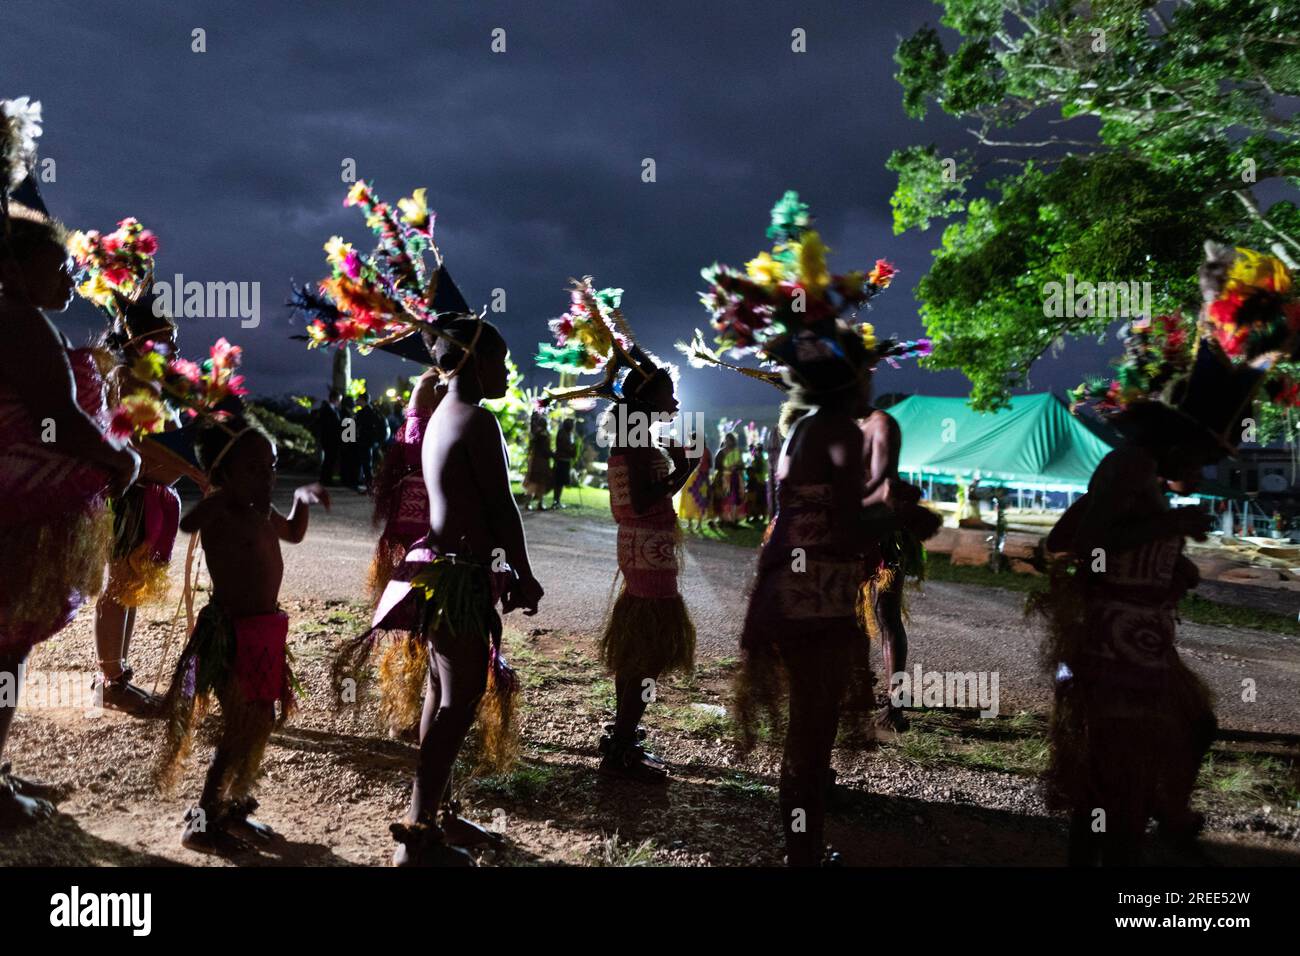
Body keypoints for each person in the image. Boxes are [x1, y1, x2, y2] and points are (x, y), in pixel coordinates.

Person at [336, 317, 543, 865]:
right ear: (475, 362)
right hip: (459, 580)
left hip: (443, 572)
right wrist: (522, 571)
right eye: (499, 361)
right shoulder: (477, 421)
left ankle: (436, 819)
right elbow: (501, 506)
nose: (506, 371)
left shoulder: (439, 417)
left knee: (440, 693)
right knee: (459, 699)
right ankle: (419, 840)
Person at [0, 192, 140, 826]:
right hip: (14, 518)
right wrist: (120, 459)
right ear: (15, 268)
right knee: (4, 650)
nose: (72, 277)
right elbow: (60, 419)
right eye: (59, 265)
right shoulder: (21, 321)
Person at [155, 413, 329, 852]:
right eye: (254, 468)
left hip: (264, 634)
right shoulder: (221, 510)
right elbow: (188, 525)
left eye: (270, 467)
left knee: (258, 722)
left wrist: (303, 499)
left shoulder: (262, 511)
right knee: (238, 726)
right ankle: (201, 820)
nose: (267, 477)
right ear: (224, 473)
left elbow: (293, 532)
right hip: (231, 637)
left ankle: (231, 808)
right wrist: (216, 495)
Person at [93, 296, 205, 716]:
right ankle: (111, 680)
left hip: (152, 497)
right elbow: (139, 442)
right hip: (132, 498)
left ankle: (116, 677)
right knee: (120, 587)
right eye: (167, 340)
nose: (175, 350)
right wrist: (193, 472)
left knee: (131, 587)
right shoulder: (127, 377)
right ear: (142, 342)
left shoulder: (150, 380)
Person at [677, 434, 712, 533]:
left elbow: (709, 465)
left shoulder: (705, 451)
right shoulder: (687, 449)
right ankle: (690, 523)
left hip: (701, 480)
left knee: (700, 501)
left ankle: (699, 524)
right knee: (690, 500)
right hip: (690, 480)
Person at [355, 392, 390, 491]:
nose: (357, 401)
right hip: (373, 442)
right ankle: (371, 485)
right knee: (370, 464)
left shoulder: (364, 412)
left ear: (363, 400)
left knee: (367, 465)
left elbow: (359, 427)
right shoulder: (374, 411)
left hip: (366, 442)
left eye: (359, 399)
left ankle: (369, 486)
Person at [522, 411, 552, 511]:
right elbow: (545, 450)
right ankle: (536, 503)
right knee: (538, 483)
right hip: (541, 461)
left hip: (536, 460)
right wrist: (552, 454)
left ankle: (534, 503)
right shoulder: (543, 434)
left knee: (536, 482)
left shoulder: (535, 434)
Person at [715, 431, 745, 526]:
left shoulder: (737, 452)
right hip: (723, 478)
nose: (728, 442)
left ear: (733, 441)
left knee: (734, 497)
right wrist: (725, 469)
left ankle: (733, 518)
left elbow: (741, 465)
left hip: (734, 478)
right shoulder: (721, 452)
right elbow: (717, 465)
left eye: (729, 440)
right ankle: (723, 518)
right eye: (726, 440)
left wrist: (736, 468)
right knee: (722, 497)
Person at [314, 389, 342, 485]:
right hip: (329, 439)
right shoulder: (327, 410)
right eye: (339, 399)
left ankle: (325, 478)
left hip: (330, 439)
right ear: (334, 399)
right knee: (329, 459)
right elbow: (328, 425)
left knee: (329, 459)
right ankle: (326, 479)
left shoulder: (331, 409)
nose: (339, 402)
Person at [551, 417, 575, 509]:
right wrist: (571, 448)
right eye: (571, 424)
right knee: (558, 482)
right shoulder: (562, 433)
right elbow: (564, 447)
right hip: (561, 460)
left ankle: (557, 501)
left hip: (565, 460)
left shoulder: (569, 434)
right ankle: (555, 501)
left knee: (561, 482)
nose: (572, 426)